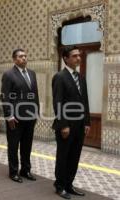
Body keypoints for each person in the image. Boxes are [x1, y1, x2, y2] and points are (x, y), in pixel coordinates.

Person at [52, 45, 90, 199]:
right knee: (63, 156)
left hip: (80, 126)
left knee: (75, 156)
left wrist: (87, 122)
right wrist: (64, 125)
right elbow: (58, 103)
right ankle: (60, 186)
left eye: (79, 55)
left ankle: (69, 184)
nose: (78, 58)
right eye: (74, 56)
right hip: (66, 126)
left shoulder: (81, 77)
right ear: (66, 58)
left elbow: (85, 102)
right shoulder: (60, 77)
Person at [1, 48, 39, 183]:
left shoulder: (32, 74)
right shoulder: (9, 74)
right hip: (15, 118)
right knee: (13, 145)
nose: (24, 58)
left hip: (30, 117)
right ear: (14, 59)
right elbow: (5, 97)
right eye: (21, 56)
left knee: (27, 145)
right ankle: (13, 172)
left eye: (25, 56)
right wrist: (9, 115)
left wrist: (36, 112)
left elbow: (35, 94)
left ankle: (26, 170)